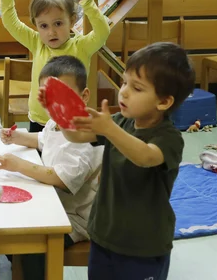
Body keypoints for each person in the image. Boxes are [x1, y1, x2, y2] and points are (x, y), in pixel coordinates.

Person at [47, 42, 195, 280]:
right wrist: (58, 111)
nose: (123, 91)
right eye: (124, 82)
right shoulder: (120, 122)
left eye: (137, 88)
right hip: (104, 235)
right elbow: (77, 135)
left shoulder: (169, 138)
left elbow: (145, 157)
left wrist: (109, 129)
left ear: (164, 102)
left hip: (143, 246)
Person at [0, 55, 103, 280]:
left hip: (75, 219)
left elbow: (61, 179)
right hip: (52, 204)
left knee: (32, 247)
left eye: (64, 95)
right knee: (13, 233)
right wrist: (17, 137)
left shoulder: (86, 137)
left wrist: (19, 165)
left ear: (84, 96)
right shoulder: (56, 122)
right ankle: (20, 266)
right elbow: (42, 139)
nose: (56, 103)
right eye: (50, 97)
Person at [0, 0, 110, 132]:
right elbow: (10, 22)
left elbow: (102, 32)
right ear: (36, 25)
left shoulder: (81, 46)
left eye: (58, 23)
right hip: (39, 121)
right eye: (44, 26)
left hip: (71, 121)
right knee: (38, 157)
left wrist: (87, 2)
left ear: (71, 20)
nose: (51, 32)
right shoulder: (37, 42)